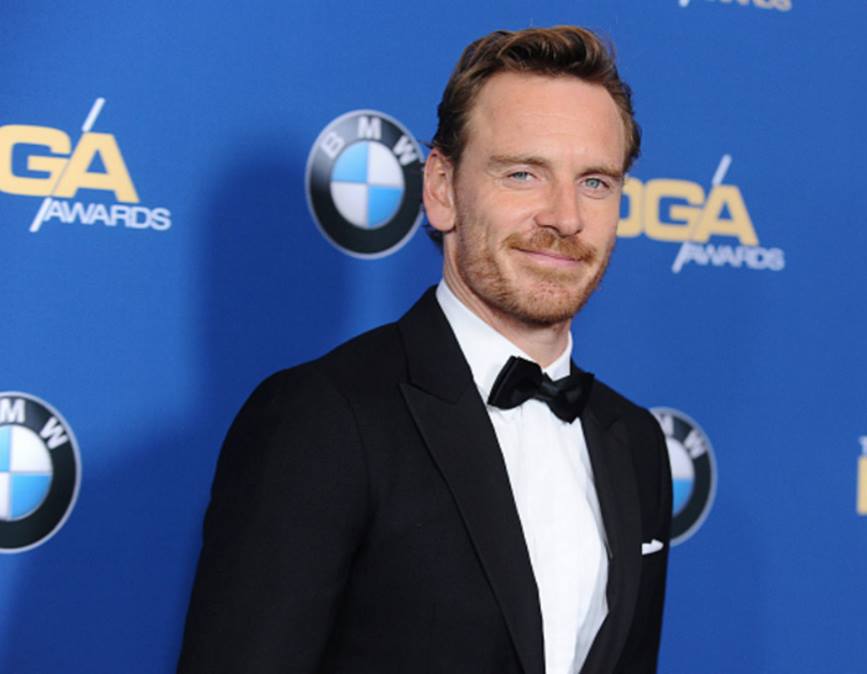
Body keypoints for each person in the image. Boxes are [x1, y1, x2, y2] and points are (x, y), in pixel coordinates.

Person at [178, 25, 671, 674]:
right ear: (441, 188)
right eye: (523, 174)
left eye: (596, 183)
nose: (565, 216)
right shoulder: (323, 419)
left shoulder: (635, 442)